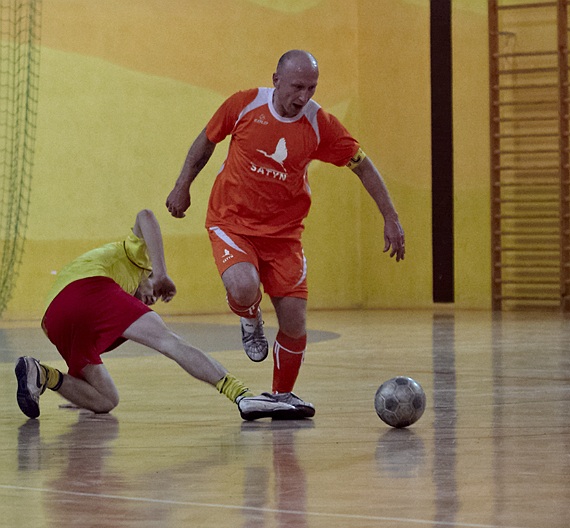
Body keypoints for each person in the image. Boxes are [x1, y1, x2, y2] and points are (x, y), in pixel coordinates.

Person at [165, 49, 405, 416]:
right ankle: (250, 317)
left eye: (311, 88)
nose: (303, 96)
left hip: (284, 236)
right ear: (276, 80)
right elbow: (206, 141)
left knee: (294, 320)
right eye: (296, 87)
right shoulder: (244, 105)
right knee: (243, 286)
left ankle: (281, 396)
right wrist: (183, 185)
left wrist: (390, 217)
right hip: (232, 222)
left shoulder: (320, 124)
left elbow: (363, 166)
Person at [15, 209, 296, 422]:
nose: (150, 300)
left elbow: (79, 317)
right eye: (151, 290)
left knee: (105, 400)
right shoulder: (134, 258)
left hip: (53, 319)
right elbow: (146, 216)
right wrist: (159, 273)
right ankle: (240, 393)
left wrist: (77, 392)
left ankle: (42, 373)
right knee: (169, 341)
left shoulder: (106, 288)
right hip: (87, 288)